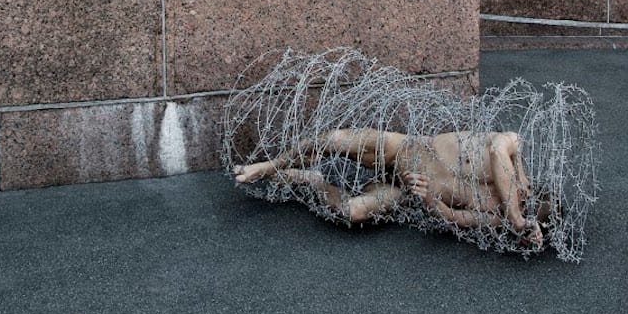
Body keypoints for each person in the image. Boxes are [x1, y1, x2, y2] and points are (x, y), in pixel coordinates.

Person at [233, 126, 548, 247]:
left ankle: (310, 181)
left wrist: (426, 199)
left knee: (352, 211)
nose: (523, 196)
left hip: (405, 190)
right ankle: (270, 166)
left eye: (526, 206)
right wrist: (518, 218)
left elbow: (453, 217)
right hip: (405, 149)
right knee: (333, 141)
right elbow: (497, 151)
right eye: (526, 195)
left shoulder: (496, 213)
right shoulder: (510, 147)